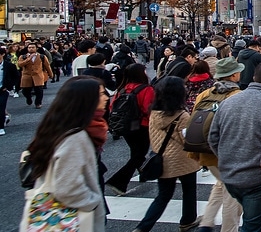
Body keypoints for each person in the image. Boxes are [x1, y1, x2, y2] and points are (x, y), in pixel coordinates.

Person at [21, 76, 108, 232]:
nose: (106, 97)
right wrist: (93, 202)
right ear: (86, 101)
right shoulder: (76, 137)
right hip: (71, 217)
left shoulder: (58, 126)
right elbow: (68, 188)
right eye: (101, 94)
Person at [208, 62, 261, 232]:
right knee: (253, 225)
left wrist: (226, 157)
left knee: (255, 221)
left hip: (229, 173)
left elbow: (213, 137)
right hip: (258, 177)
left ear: (253, 78)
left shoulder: (230, 101)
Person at [132, 77, 201, 232]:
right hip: (183, 159)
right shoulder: (181, 115)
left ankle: (143, 226)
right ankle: (187, 220)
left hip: (162, 158)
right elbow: (188, 140)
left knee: (163, 195)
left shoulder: (154, 112)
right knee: (189, 190)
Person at [188, 57, 245, 232]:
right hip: (228, 153)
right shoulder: (237, 96)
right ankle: (229, 229)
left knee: (220, 184)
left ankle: (206, 222)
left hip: (205, 151)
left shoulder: (205, 94)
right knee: (232, 195)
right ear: (234, 75)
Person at [105, 64, 155, 196]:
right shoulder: (146, 89)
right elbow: (147, 109)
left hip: (125, 125)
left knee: (135, 151)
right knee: (140, 153)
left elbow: (112, 106)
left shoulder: (122, 89)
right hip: (142, 125)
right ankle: (118, 181)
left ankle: (144, 173)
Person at [18, 41, 53, 108]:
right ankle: (28, 98)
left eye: (33, 47)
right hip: (27, 76)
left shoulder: (42, 56)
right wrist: (28, 59)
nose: (31, 49)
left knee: (39, 91)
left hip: (38, 75)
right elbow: (20, 64)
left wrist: (51, 74)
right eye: (29, 47)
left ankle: (38, 103)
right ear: (27, 49)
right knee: (25, 91)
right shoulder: (23, 56)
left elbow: (47, 66)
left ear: (36, 48)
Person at [0, 47, 20, 135]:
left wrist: (8, 86)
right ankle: (6, 117)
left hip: (2, 90)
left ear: (3, 55)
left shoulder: (9, 65)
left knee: (1, 108)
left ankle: (1, 127)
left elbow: (16, 76)